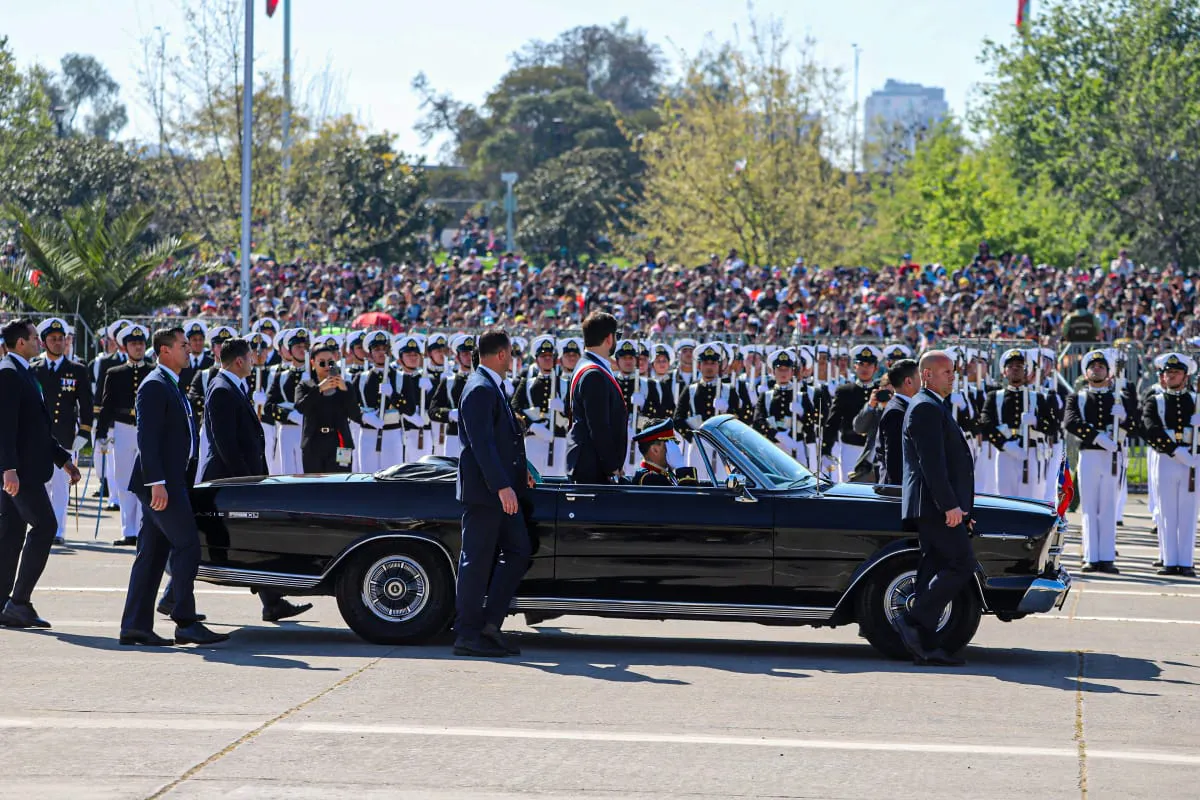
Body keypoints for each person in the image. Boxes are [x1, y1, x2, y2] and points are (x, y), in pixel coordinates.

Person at [119, 327, 229, 646]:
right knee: (187, 545)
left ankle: (135, 625)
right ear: (165, 350)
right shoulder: (154, 385)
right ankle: (184, 621)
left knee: (152, 553)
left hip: (171, 480)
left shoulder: (172, 383)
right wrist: (157, 483)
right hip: (161, 482)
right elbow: (147, 438)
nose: (189, 350)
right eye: (183, 345)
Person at [454, 328, 533, 657]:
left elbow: (503, 439)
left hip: (501, 490)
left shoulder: (492, 387)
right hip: (487, 493)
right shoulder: (480, 388)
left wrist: (520, 473)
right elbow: (482, 445)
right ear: (501, 354)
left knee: (518, 552)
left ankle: (490, 624)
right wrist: (502, 485)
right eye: (511, 354)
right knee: (476, 561)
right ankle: (468, 633)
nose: (512, 360)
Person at [895, 350, 975, 667]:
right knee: (961, 563)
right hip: (934, 506)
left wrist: (962, 507)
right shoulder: (925, 408)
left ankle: (926, 644)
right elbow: (932, 465)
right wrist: (950, 506)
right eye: (946, 372)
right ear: (926, 375)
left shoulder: (934, 406)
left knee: (934, 568)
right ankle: (913, 621)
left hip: (938, 505)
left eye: (953, 371)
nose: (952, 376)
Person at [0, 319, 82, 628]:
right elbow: (5, 428)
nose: (39, 341)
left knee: (10, 535)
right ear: (21, 343)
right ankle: (18, 602)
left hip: (26, 468)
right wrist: (8, 469)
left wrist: (63, 460)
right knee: (46, 525)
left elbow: (36, 429)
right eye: (35, 337)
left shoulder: (22, 372)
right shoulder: (8, 373)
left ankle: (2, 602)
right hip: (20, 472)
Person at [1063, 349, 1139, 573]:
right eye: (1093, 367)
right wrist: (1097, 437)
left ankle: (1106, 557)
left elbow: (1137, 422)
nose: (1097, 369)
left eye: (1101, 367)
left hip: (1112, 456)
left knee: (1108, 507)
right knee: (1089, 507)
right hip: (1090, 454)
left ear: (1108, 373)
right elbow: (1071, 422)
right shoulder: (1077, 397)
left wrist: (1123, 420)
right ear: (1086, 373)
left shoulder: (1120, 397)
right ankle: (1090, 556)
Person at [30, 317, 93, 545]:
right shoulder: (33, 369)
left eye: (61, 339)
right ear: (44, 342)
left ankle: (57, 532)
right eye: (53, 339)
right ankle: (41, 528)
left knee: (60, 488)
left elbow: (86, 405)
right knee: (40, 487)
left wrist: (84, 434)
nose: (58, 343)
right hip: (38, 438)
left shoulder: (76, 370)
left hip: (65, 436)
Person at [1140, 353, 1199, 577]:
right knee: (1166, 512)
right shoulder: (1156, 400)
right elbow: (1149, 427)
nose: (1171, 376)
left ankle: (1185, 561)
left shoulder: (1196, 401)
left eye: (1176, 372)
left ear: (1185, 376)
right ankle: (1169, 559)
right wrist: (1174, 449)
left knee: (1188, 512)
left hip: (1193, 461)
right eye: (1168, 373)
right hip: (1166, 458)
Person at [95, 324, 154, 546]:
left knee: (146, 479)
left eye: (141, 343)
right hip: (122, 428)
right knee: (123, 479)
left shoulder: (153, 371)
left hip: (146, 430)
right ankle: (128, 530)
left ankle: (143, 528)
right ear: (124, 346)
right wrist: (101, 432)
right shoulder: (115, 373)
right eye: (133, 344)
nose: (138, 347)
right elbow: (107, 404)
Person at [566, 312, 629, 484]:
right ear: (609, 339)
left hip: (591, 463)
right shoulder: (593, 374)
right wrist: (611, 466)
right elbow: (599, 425)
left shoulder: (587, 366)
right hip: (593, 467)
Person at [296, 343, 361, 473]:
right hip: (314, 442)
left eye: (330, 362)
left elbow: (355, 415)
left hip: (340, 442)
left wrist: (344, 391)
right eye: (322, 363)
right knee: (314, 487)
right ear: (313, 363)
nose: (326, 366)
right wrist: (319, 389)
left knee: (339, 485)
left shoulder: (345, 385)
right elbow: (301, 407)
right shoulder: (306, 385)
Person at [875, 358, 920, 485]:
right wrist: (897, 491)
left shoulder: (904, 406)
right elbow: (895, 459)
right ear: (909, 381)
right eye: (920, 377)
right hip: (899, 488)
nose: (923, 382)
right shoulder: (897, 412)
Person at [632, 419, 697, 486]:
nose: (675, 448)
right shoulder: (650, 478)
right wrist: (680, 467)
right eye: (670, 444)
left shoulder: (665, 474)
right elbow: (688, 495)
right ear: (655, 450)